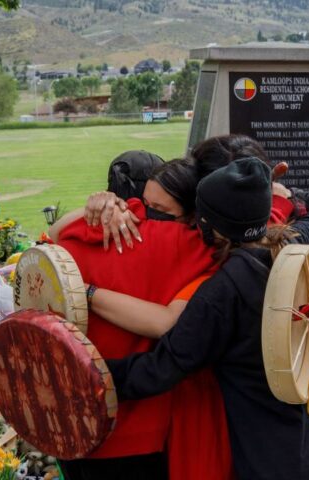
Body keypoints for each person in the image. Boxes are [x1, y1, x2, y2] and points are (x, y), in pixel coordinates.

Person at [104, 158, 309, 480]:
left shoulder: (224, 292)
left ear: (209, 226)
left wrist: (86, 372)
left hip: (278, 459)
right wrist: (288, 193)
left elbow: (161, 368)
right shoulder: (297, 243)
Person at [56, 159, 217, 479]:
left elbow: (52, 237)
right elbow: (165, 323)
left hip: (69, 413)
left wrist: (108, 204)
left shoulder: (91, 227)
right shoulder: (201, 249)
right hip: (139, 427)